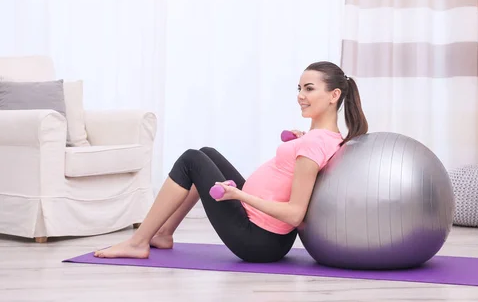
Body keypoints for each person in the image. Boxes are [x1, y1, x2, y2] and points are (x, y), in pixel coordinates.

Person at [94, 61, 368, 262]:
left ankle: (139, 240)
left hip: (259, 240)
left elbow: (296, 213)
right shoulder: (328, 138)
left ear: (334, 95)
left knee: (191, 160)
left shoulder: (314, 143)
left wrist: (239, 195)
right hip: (270, 236)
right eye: (299, 88)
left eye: (309, 89)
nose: (300, 95)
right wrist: (300, 139)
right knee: (207, 152)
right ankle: (163, 233)